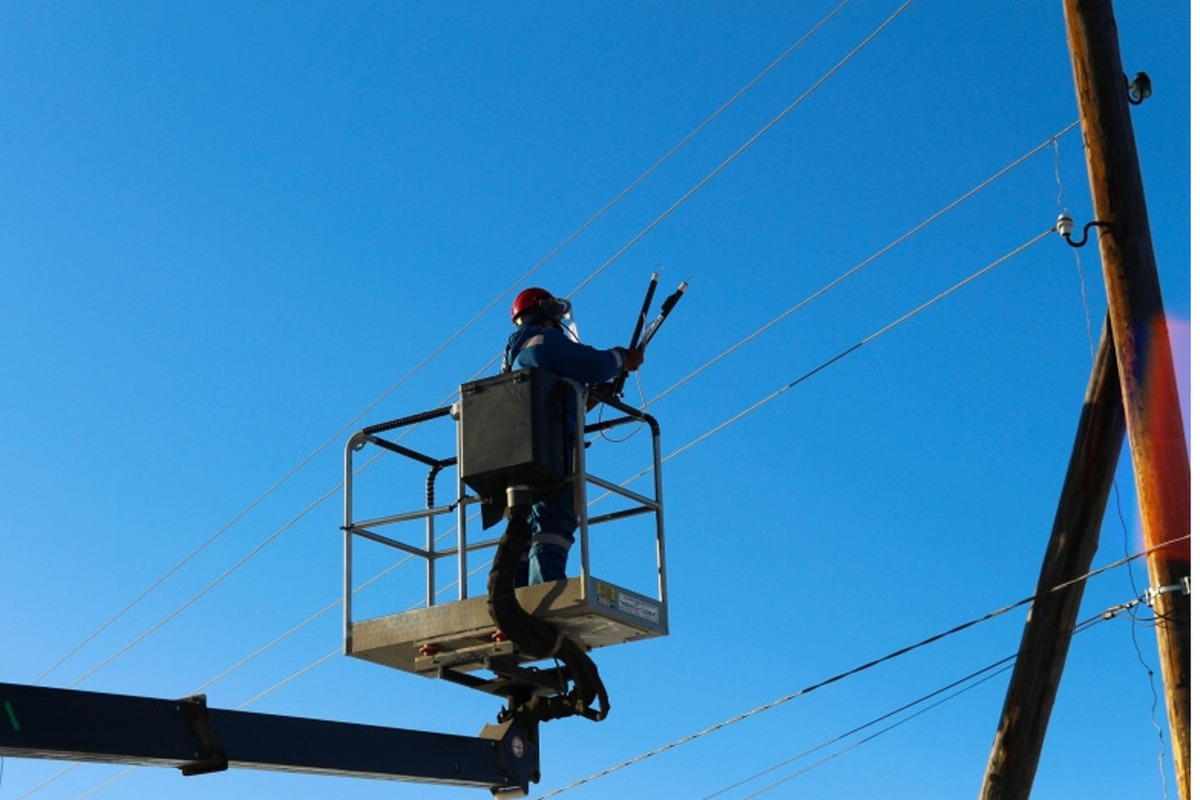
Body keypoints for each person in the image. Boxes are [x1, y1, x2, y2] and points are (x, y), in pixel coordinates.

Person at [503, 287, 643, 585]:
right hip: (551, 453)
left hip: (517, 453)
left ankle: (511, 601)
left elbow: (553, 402)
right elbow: (594, 363)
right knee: (552, 522)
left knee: (522, 528)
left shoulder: (515, 356)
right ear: (542, 311)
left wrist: (592, 397)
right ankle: (544, 597)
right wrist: (624, 358)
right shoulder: (543, 340)